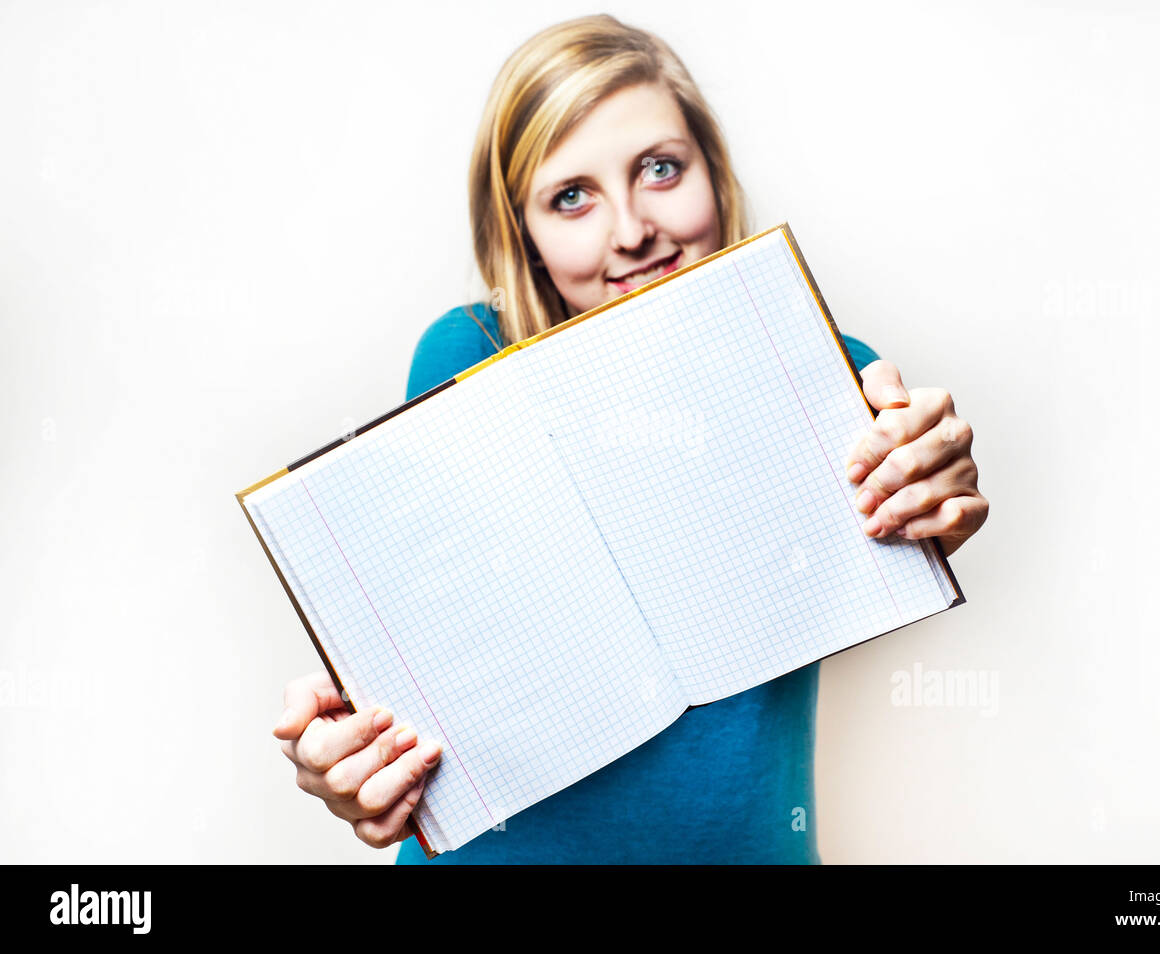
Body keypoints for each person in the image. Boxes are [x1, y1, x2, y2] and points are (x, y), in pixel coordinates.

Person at [272, 14, 988, 864]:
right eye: (570, 196)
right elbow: (441, 660)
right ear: (524, 236)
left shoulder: (826, 374)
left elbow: (913, 519)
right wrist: (355, 757)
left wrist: (934, 493)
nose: (630, 231)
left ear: (712, 174)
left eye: (659, 169)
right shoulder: (463, 359)